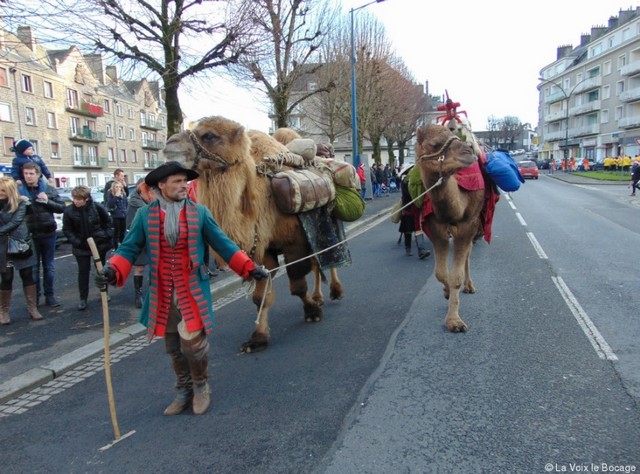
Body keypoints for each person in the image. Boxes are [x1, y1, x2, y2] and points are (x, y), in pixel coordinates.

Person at [94, 161, 268, 416]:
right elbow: (129, 248)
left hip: (192, 288)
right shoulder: (145, 215)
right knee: (173, 346)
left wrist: (249, 267)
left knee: (193, 344)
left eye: (185, 181)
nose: (184, 186)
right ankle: (183, 390)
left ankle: (200, 387)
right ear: (161, 186)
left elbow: (223, 243)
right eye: (177, 181)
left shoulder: (200, 213)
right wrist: (111, 270)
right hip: (162, 290)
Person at [19, 162, 67, 307]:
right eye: (26, 174)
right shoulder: (19, 191)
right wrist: (19, 202)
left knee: (49, 267)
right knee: (33, 268)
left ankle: (50, 295)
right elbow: (10, 211)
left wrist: (47, 201)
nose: (28, 176)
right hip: (29, 235)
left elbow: (62, 208)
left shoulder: (48, 189)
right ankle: (35, 298)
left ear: (38, 175)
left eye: (31, 173)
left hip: (48, 233)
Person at [0, 176, 43, 324]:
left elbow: (16, 221)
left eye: (2, 190)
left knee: (27, 274)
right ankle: (3, 311)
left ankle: (32, 308)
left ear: (10, 191)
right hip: (3, 246)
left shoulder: (20, 203)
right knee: (6, 277)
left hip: (20, 244)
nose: (0, 193)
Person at [63, 185, 113, 311]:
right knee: (83, 272)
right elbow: (67, 230)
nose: (76, 201)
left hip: (98, 244)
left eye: (79, 199)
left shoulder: (97, 207)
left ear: (86, 199)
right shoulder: (69, 211)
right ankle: (83, 298)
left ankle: (104, 293)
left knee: (101, 270)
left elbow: (108, 222)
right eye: (75, 198)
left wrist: (106, 235)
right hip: (81, 246)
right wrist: (77, 241)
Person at [125, 178, 156, 308]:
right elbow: (130, 223)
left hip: (153, 238)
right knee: (139, 267)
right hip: (140, 237)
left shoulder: (153, 200)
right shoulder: (135, 203)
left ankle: (154, 294)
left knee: (156, 267)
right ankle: (138, 294)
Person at [398, 165, 431, 260]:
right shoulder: (405, 181)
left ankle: (421, 250)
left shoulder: (414, 181)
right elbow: (409, 194)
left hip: (416, 208)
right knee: (407, 230)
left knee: (417, 228)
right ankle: (408, 248)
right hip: (408, 208)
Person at [106, 181, 128, 250]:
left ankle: (122, 246)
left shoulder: (123, 194)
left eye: (119, 187)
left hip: (123, 215)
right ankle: (115, 247)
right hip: (115, 216)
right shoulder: (111, 194)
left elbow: (126, 204)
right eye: (116, 187)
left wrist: (125, 212)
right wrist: (116, 196)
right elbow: (110, 204)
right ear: (113, 187)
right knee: (116, 232)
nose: (118, 188)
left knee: (123, 231)